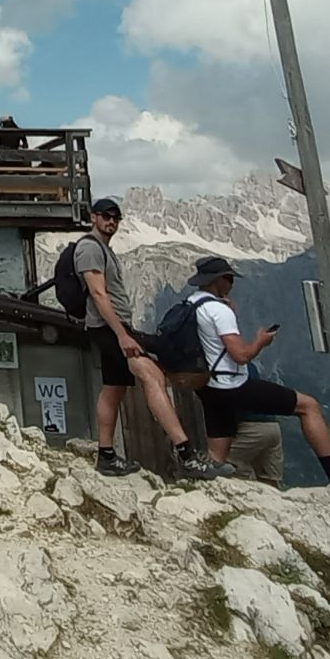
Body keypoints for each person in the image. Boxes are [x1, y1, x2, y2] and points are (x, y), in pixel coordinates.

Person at [75, 199, 232, 480]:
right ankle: (186, 454)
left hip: (114, 327)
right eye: (106, 216)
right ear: (93, 217)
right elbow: (98, 294)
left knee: (114, 388)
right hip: (108, 327)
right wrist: (122, 334)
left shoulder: (103, 250)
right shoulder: (89, 248)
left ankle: (106, 456)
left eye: (116, 217)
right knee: (151, 375)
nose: (111, 221)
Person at [186, 255, 330, 483]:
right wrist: (260, 341)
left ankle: (204, 494)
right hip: (231, 385)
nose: (232, 283)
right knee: (308, 406)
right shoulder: (219, 311)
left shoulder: (191, 305)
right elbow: (241, 356)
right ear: (218, 280)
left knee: (216, 458)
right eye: (229, 278)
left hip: (207, 388)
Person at [227, 415, 286, 488]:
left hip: (249, 426)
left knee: (228, 464)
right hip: (273, 425)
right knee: (270, 480)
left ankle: (246, 488)